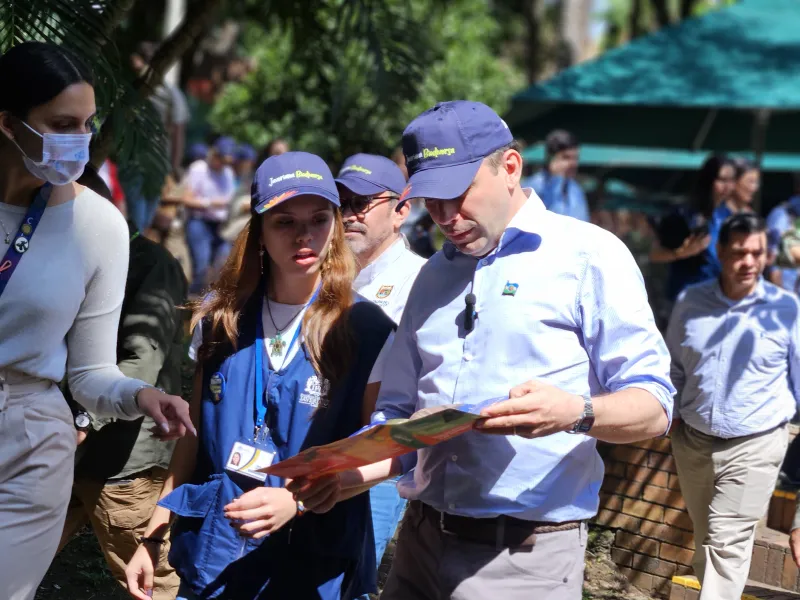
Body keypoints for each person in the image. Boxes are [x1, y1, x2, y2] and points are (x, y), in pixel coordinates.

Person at [291, 101, 675, 600]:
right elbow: (401, 414)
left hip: (524, 559)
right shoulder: (431, 276)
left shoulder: (589, 256)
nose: (446, 216)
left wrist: (574, 412)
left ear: (509, 167)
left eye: (458, 193)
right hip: (419, 547)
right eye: (431, 200)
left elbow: (655, 406)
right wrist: (350, 475)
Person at [124, 151, 395, 600]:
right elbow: (191, 440)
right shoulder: (221, 320)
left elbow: (381, 449)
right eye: (284, 222)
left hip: (314, 564)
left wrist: (300, 499)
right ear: (259, 232)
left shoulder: (367, 330)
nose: (303, 236)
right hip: (220, 555)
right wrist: (154, 534)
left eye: (319, 219)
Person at [0, 42, 193, 600]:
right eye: (62, 124)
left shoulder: (99, 225)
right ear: (8, 124)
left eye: (86, 124)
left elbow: (89, 374)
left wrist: (141, 396)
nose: (79, 140)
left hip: (32, 442)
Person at [57, 166, 187, 599]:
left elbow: (141, 359)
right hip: (72, 448)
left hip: (121, 459)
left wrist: (80, 422)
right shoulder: (74, 257)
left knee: (151, 583)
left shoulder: (151, 263)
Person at [666, 213, 799, 599]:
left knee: (725, 544)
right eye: (739, 252)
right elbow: (673, 366)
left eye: (757, 253)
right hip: (693, 442)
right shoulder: (692, 302)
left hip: (755, 444)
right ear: (720, 251)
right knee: (708, 541)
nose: (749, 262)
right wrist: (671, 414)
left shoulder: (787, 309)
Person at [335, 153, 426, 578]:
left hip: (379, 463)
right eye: (342, 202)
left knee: (351, 577)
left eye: (363, 203)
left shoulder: (422, 282)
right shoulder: (323, 277)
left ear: (401, 211)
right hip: (320, 452)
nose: (350, 214)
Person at [650, 154, 736, 306]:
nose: (727, 186)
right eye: (722, 180)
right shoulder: (684, 214)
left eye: (731, 180)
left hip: (717, 299)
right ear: (708, 180)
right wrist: (682, 253)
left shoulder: (727, 215)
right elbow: (655, 254)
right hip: (685, 298)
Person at [126, 41, 191, 232]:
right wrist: (175, 165)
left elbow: (178, 131)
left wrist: (174, 165)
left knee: (141, 217)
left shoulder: (139, 90)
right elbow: (179, 132)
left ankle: (135, 251)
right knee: (142, 216)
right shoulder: (171, 93)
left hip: (144, 163)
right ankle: (136, 250)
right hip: (150, 163)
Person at [184, 136, 237, 295]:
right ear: (214, 154)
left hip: (220, 225)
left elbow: (229, 199)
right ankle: (192, 305)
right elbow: (187, 199)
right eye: (221, 159)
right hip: (199, 222)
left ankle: (209, 304)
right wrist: (211, 203)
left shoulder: (228, 173)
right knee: (201, 267)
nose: (223, 164)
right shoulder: (198, 168)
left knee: (223, 264)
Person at [526, 129, 589, 222]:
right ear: (550, 158)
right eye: (566, 157)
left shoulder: (576, 189)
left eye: (576, 158)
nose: (573, 164)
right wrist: (556, 180)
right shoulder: (531, 187)